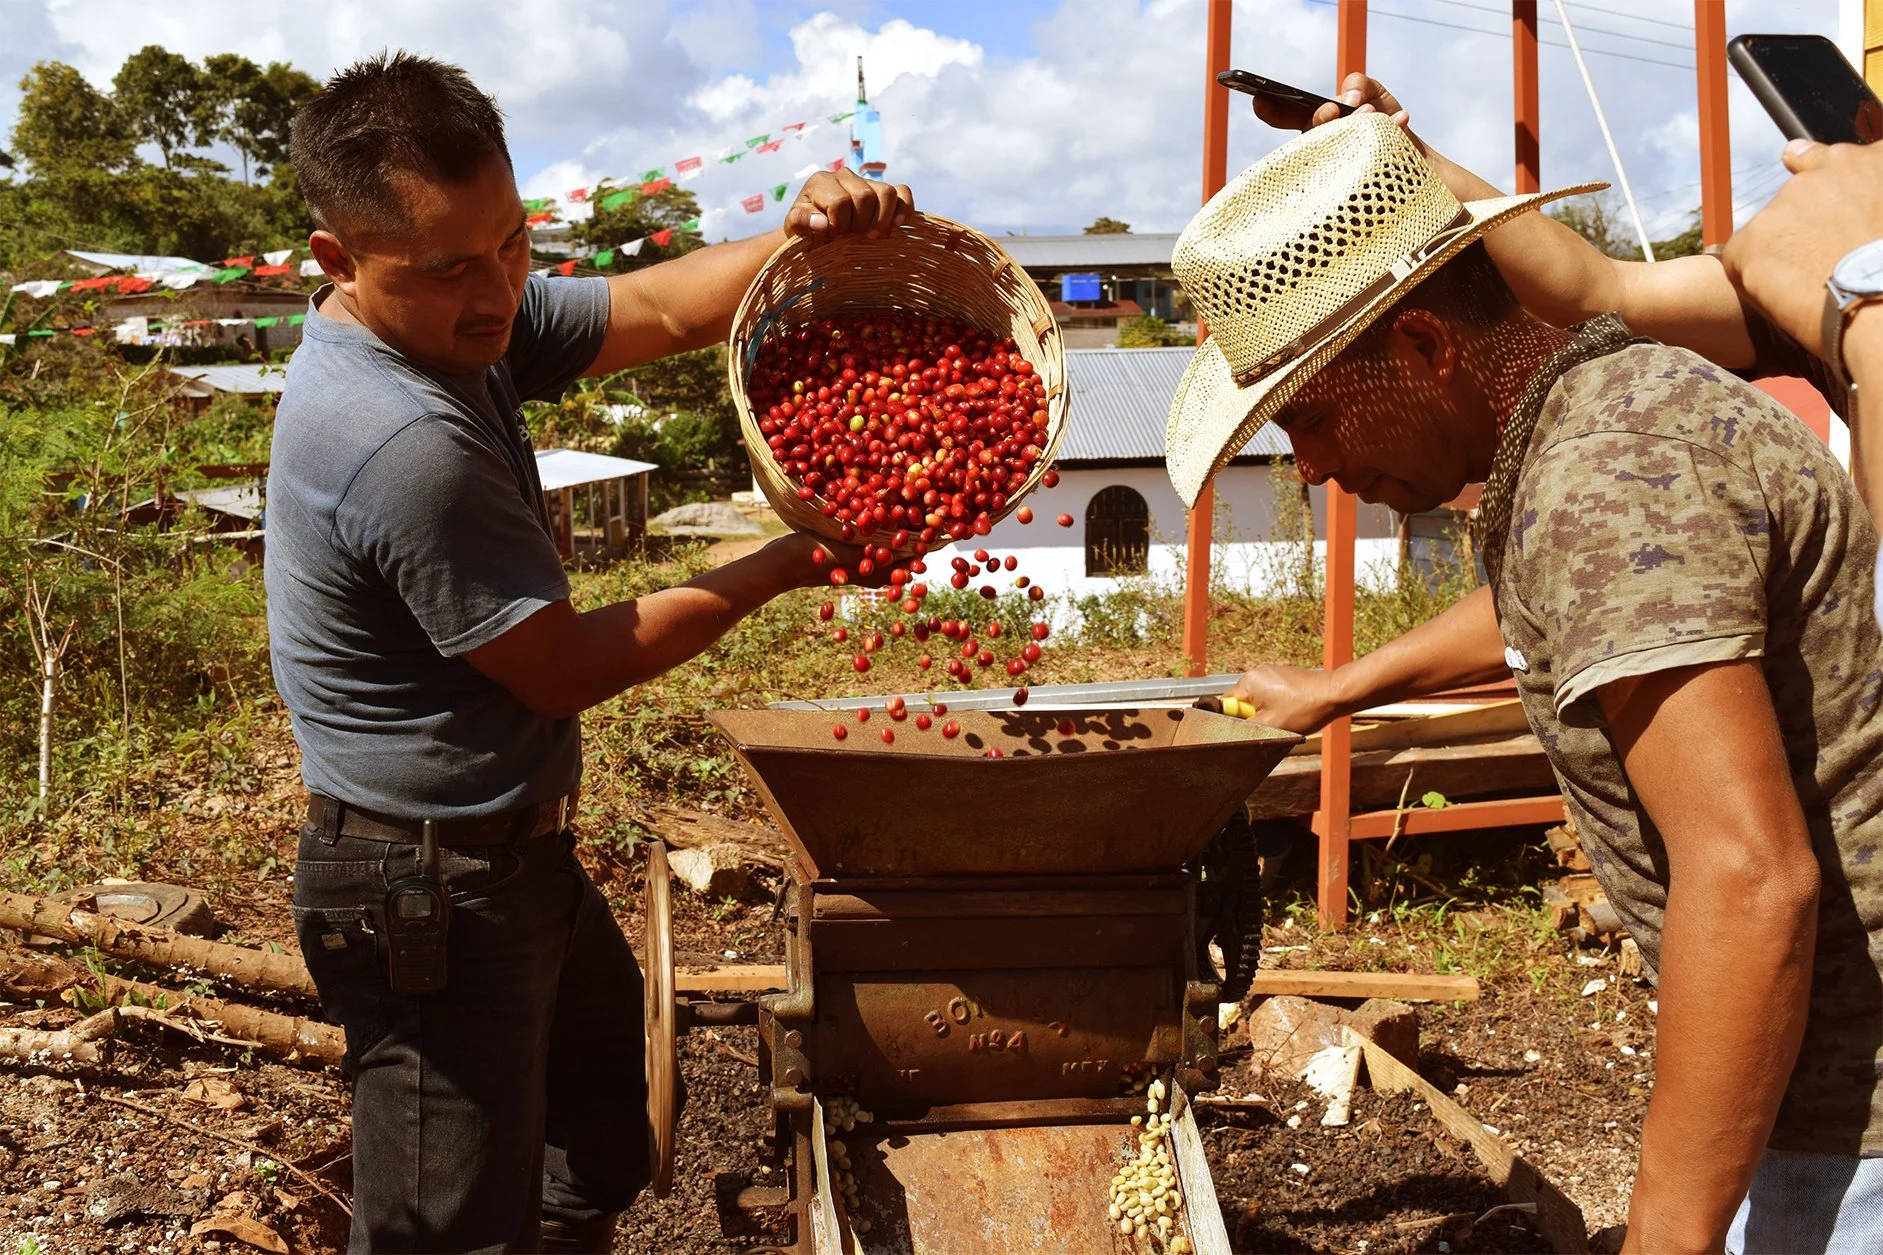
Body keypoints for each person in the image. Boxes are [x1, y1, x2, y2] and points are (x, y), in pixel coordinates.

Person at [1172, 112, 1883, 1254]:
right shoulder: (1608, 410)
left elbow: (1749, 881)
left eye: (1306, 414)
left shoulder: (1601, 476)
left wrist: (1663, 1233)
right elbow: (1562, 600)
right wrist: (1339, 686)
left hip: (1847, 1140)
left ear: (1422, 349)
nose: (1307, 464)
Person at [267, 53, 912, 1254]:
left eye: (510, 243)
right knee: (442, 1233)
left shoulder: (461, 324)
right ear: (338, 262)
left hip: (508, 860)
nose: (496, 291)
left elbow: (663, 310)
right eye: (449, 266)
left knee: (597, 1141)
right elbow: (562, 666)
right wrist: (785, 558)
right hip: (425, 891)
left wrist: (806, 242)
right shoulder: (397, 436)